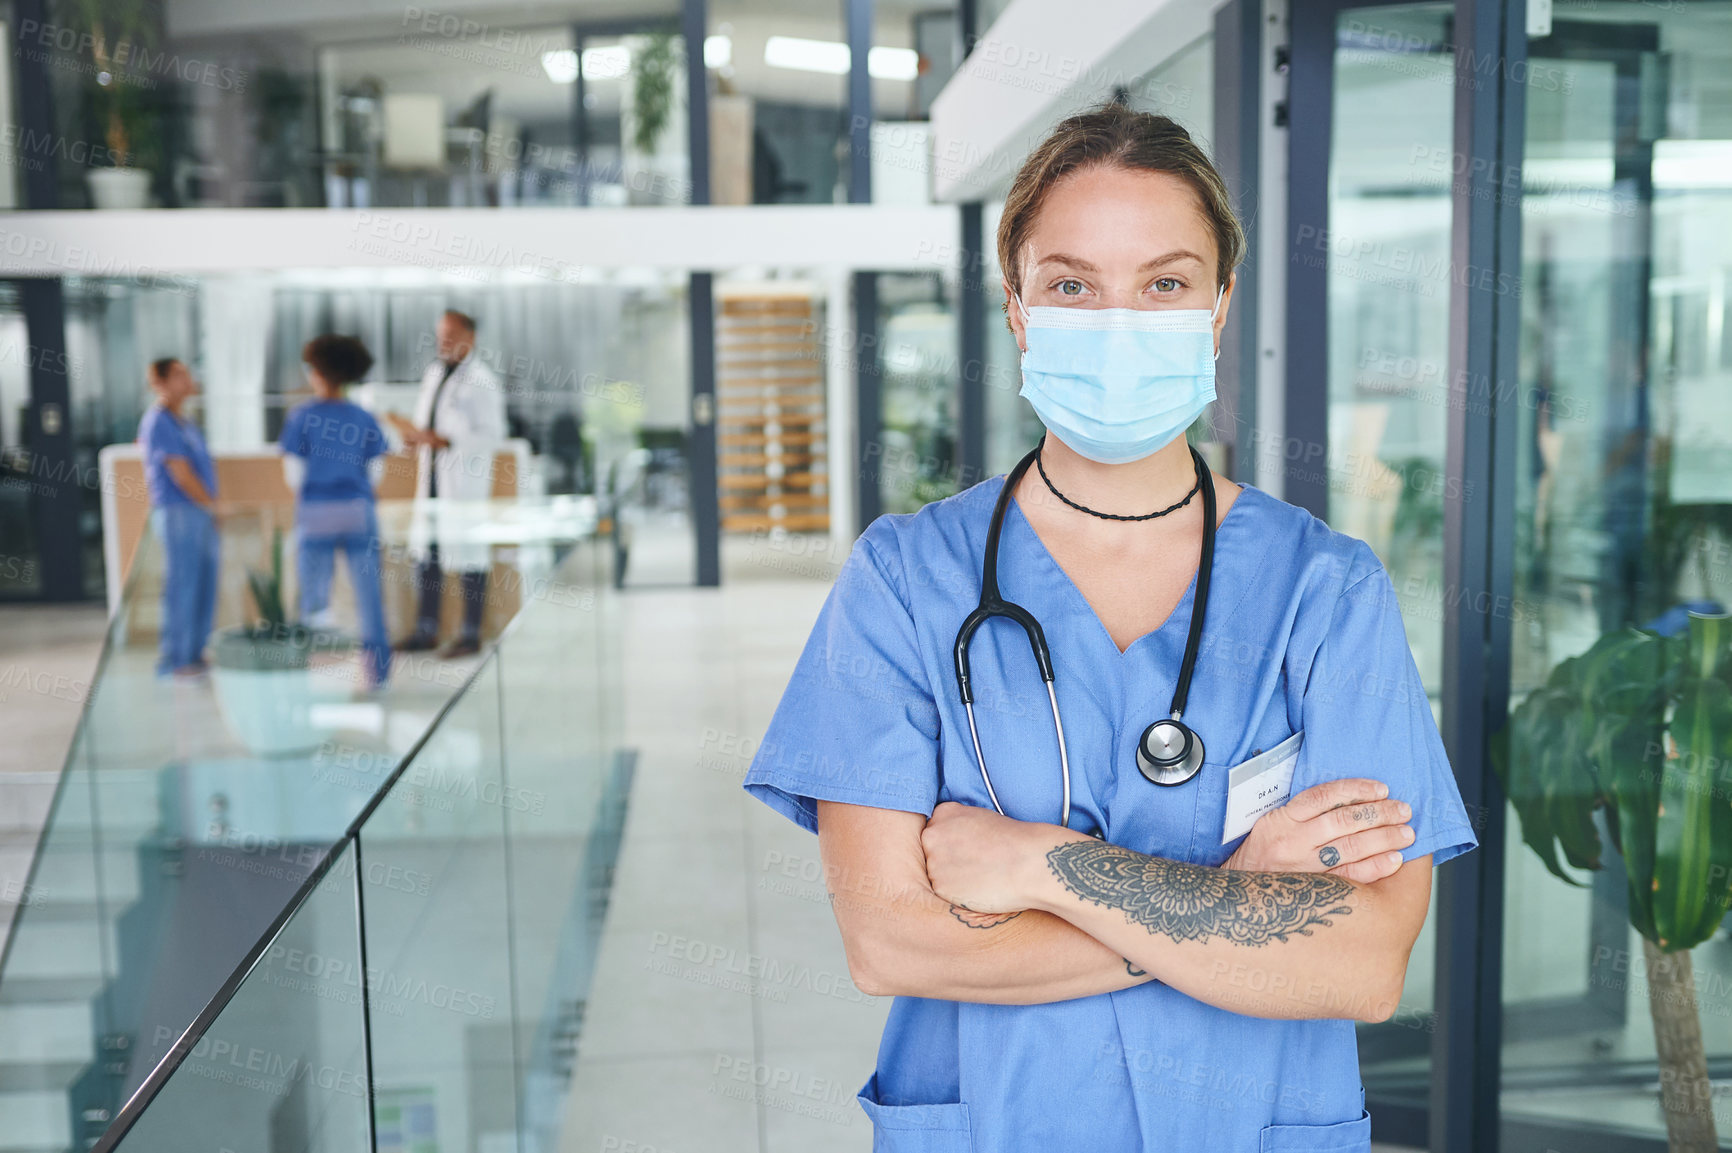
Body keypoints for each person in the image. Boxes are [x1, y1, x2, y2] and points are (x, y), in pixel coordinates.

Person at [742, 104, 1478, 1153]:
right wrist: (1230, 904)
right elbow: (891, 942)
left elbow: (1357, 963)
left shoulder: (1326, 590)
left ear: (1219, 308)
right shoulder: (905, 580)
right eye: (1072, 284)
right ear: (1017, 307)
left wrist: (1044, 867)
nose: (1117, 318)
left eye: (1164, 283)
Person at [387, 309, 506, 659]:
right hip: (435, 478)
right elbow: (429, 422)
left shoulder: (482, 380)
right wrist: (417, 437)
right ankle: (427, 630)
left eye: (452, 334)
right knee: (429, 558)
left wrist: (446, 441)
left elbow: (491, 437)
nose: (445, 341)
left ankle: (470, 635)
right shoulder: (435, 373)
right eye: (441, 334)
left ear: (471, 337)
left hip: (463, 482)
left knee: (470, 558)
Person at [279, 335, 392, 691]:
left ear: (318, 372)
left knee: (313, 601)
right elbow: (376, 472)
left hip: (316, 513)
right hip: (358, 510)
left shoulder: (301, 416)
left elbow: (293, 475)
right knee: (370, 598)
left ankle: (306, 677)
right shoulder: (364, 417)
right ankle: (379, 677)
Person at [137, 357, 219, 678]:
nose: (188, 380)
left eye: (187, 374)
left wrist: (211, 507)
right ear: (159, 383)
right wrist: (213, 506)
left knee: (203, 583)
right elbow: (181, 474)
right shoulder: (158, 422)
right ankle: (177, 659)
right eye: (179, 375)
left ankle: (195, 654)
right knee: (182, 585)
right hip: (178, 513)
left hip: (199, 513)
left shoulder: (185, 422)